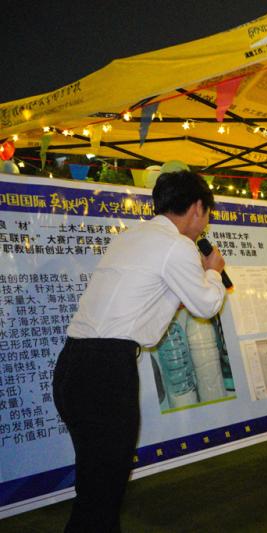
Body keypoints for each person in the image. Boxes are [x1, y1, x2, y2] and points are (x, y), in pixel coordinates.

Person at [52, 170, 227, 532]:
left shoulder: (131, 237)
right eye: (207, 214)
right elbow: (208, 304)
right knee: (102, 493)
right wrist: (213, 272)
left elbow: (147, 298)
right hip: (105, 372)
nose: (204, 225)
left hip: (73, 365)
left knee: (96, 486)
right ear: (197, 207)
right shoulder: (178, 246)